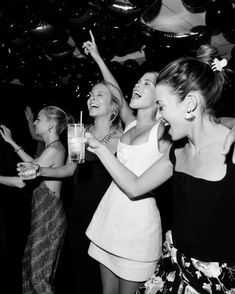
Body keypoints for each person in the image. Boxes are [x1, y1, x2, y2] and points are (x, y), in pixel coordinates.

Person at [84, 44, 235, 293]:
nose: (161, 118)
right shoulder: (177, 153)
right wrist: (99, 149)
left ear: (189, 104)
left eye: (162, 106)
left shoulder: (229, 149)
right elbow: (134, 186)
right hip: (175, 269)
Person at [0, 105, 68, 294]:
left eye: (38, 119)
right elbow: (35, 165)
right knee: (32, 267)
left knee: (39, 274)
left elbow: (22, 182)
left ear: (51, 124)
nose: (35, 122)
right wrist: (12, 143)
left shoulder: (54, 149)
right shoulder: (52, 148)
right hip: (43, 216)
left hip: (50, 218)